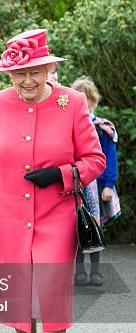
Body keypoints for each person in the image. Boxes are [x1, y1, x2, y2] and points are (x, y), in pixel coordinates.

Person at [0, 29, 106, 333]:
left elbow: (94, 160)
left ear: (49, 68)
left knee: (50, 296)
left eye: (35, 71)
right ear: (9, 75)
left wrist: (63, 174)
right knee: (16, 300)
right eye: (19, 73)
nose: (27, 80)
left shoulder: (72, 102)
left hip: (56, 215)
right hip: (10, 217)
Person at [71, 76, 119, 286]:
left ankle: (96, 270)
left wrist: (108, 184)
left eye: (88, 100)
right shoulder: (68, 127)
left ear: (94, 101)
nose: (85, 103)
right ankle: (80, 271)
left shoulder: (103, 128)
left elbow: (110, 158)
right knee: (77, 228)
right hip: (75, 187)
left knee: (95, 227)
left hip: (97, 187)